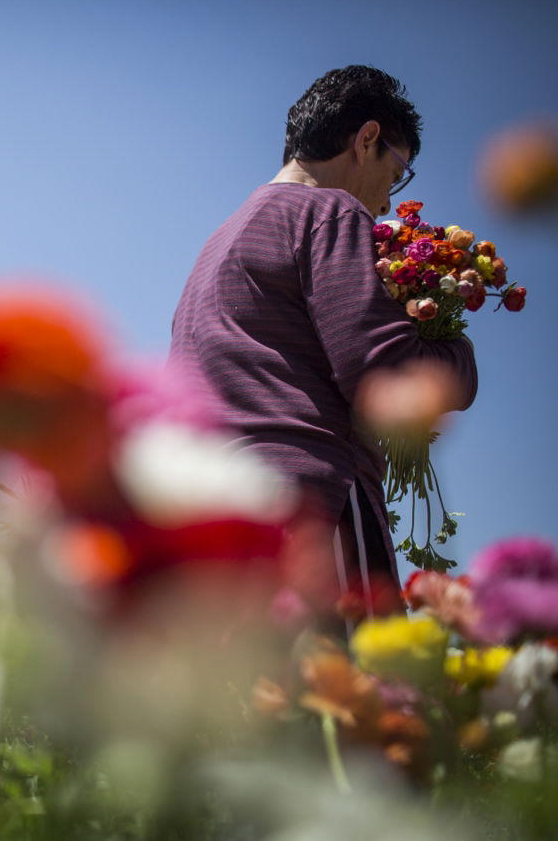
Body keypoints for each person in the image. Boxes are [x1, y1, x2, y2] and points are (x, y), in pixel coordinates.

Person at [168, 66, 478, 619]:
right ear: (366, 140)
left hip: (218, 525)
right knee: (356, 696)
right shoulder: (328, 211)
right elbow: (384, 374)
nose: (387, 201)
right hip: (313, 506)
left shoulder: (223, 238)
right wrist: (454, 349)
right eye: (398, 171)